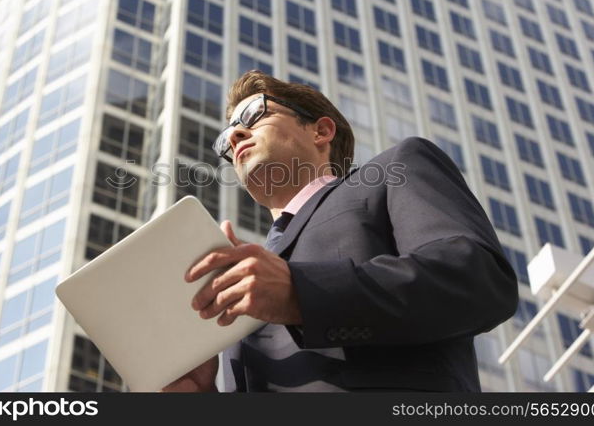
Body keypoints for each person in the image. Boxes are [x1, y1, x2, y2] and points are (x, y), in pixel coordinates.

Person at [163, 70, 518, 392]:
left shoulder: (395, 169)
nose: (236, 134)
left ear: (321, 131)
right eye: (227, 137)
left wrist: (302, 293)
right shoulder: (241, 290)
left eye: (254, 115)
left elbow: (479, 279)